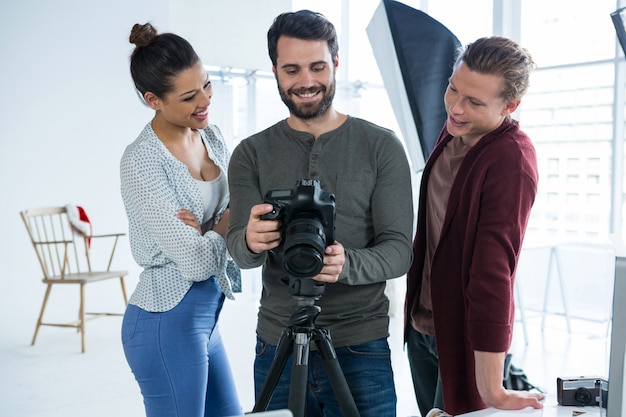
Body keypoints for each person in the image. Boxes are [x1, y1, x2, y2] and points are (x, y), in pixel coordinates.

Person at [226, 10, 414, 417]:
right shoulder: (250, 153)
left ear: (336, 64)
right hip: (276, 338)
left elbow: (400, 252)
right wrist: (249, 240)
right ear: (275, 70)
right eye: (291, 69)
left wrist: (347, 263)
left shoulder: (381, 146)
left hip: (360, 344)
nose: (306, 82)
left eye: (317, 67)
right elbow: (240, 254)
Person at [404, 36, 545, 416]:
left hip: (464, 337)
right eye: (453, 88)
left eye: (475, 102)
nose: (456, 107)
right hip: (424, 326)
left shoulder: (510, 160)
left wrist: (492, 387)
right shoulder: (455, 130)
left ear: (510, 105)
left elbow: (493, 270)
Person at [119, 22, 242, 417]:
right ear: (153, 99)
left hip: (206, 321)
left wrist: (209, 230)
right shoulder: (141, 161)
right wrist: (223, 222)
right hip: (163, 322)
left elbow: (241, 204)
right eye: (189, 96)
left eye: (207, 86)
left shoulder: (212, 135)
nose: (205, 100)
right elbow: (196, 261)